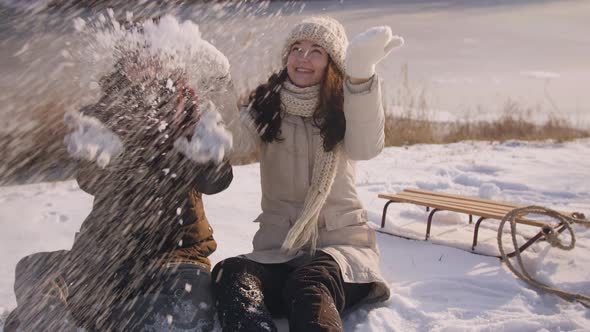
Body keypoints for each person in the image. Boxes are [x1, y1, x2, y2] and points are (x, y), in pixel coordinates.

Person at [4, 19, 233, 331]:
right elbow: (90, 182)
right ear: (125, 62)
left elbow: (217, 182)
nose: (147, 65)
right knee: (33, 270)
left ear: (172, 60)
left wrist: (212, 158)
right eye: (137, 57)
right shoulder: (101, 114)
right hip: (109, 253)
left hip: (179, 253)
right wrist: (98, 159)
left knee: (172, 318)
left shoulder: (196, 115)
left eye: (156, 56)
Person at [213, 16, 404, 332]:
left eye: (316, 50)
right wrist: (216, 89)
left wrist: (360, 78)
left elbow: (366, 147)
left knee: (308, 285)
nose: (303, 58)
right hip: (279, 251)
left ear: (333, 60)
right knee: (231, 273)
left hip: (340, 252)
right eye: (296, 48)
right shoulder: (267, 104)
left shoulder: (347, 104)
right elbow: (233, 142)